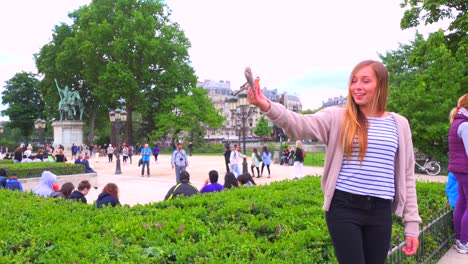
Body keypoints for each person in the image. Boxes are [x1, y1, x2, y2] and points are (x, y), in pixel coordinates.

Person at [247, 60, 421, 262]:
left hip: (380, 211)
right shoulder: (338, 117)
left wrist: (412, 225)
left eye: (366, 81)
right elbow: (299, 124)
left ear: (381, 85)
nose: (357, 86)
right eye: (354, 81)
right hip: (345, 208)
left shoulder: (399, 124)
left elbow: (407, 177)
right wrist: (265, 104)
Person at [448, 94, 468, 254]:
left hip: (459, 170)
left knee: (462, 202)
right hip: (465, 170)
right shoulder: (465, 125)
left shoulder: (457, 122)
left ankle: (460, 239)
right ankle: (464, 242)